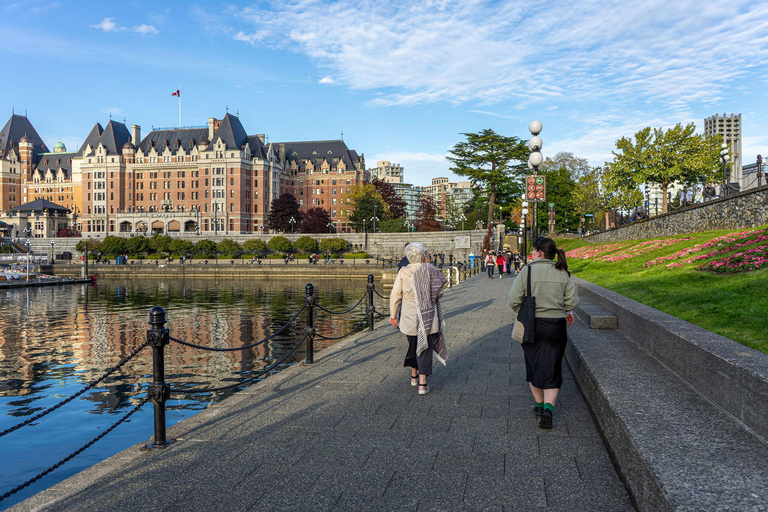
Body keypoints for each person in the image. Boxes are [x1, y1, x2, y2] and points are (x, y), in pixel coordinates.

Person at [508, 237, 578, 429]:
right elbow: (571, 301)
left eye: (533, 250)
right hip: (556, 326)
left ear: (539, 252)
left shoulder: (527, 271)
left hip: (532, 325)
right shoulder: (562, 272)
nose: (531, 253)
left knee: (533, 364)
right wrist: (566, 310)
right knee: (553, 364)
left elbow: (513, 299)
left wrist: (522, 310)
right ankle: (548, 408)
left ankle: (539, 405)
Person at [390, 242, 448, 396]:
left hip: (409, 317)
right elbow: (439, 291)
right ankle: (423, 384)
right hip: (428, 316)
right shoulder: (430, 269)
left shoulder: (403, 272)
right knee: (425, 348)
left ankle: (414, 376)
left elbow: (395, 295)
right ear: (422, 255)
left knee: (413, 345)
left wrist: (393, 315)